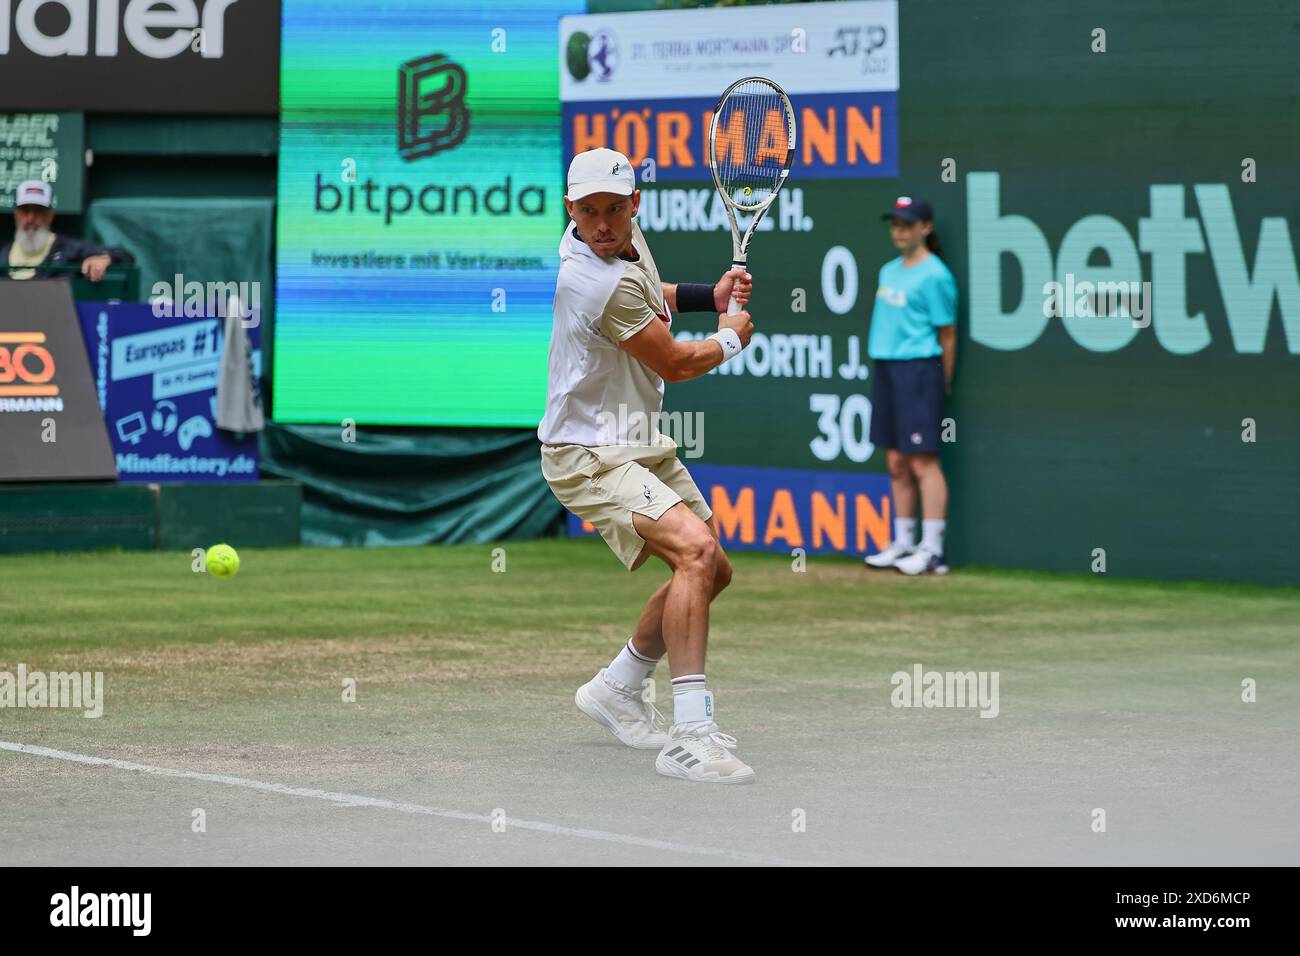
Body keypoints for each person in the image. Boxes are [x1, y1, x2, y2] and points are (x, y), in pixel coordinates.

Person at [538, 147, 757, 784]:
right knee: (694, 553)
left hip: (634, 439)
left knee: (712, 566)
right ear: (570, 211)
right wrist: (733, 332)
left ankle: (618, 685)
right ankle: (692, 733)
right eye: (588, 212)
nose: (602, 224)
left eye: (614, 209)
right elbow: (677, 365)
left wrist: (705, 294)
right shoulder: (592, 279)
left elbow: (649, 293)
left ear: (634, 205)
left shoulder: (620, 248)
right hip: (587, 454)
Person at [863, 196, 957, 575]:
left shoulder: (937, 275)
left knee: (922, 461)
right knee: (896, 460)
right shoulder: (888, 271)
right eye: (896, 224)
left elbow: (947, 335)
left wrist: (941, 383)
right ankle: (903, 543)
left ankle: (932, 550)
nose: (900, 231)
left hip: (920, 370)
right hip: (887, 367)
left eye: (908, 224)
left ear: (925, 228)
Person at [1, 180, 132, 282]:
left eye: (38, 211)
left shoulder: (69, 249)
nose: (30, 218)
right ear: (16, 214)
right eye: (25, 210)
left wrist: (104, 258)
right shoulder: (3, 252)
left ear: (50, 215)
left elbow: (124, 255)